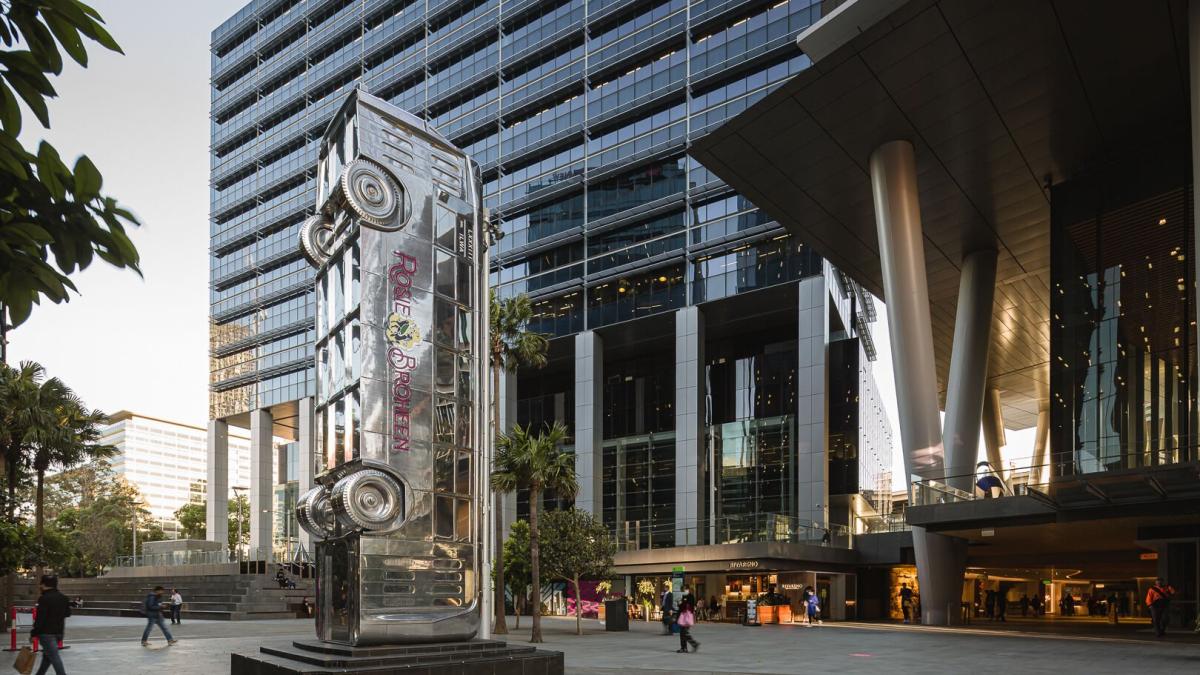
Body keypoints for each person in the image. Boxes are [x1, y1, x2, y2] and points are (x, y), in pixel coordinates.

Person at [30, 574, 70, 675]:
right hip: (59, 633)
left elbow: (40, 619)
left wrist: (33, 633)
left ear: (44, 585)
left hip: (46, 634)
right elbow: (68, 613)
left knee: (54, 657)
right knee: (47, 658)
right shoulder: (64, 598)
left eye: (41, 584)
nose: (40, 586)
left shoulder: (44, 599)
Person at [675, 587, 699, 653]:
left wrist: (681, 603)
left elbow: (688, 606)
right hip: (683, 616)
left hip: (687, 617)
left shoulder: (690, 596)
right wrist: (679, 603)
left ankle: (689, 646)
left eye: (684, 590)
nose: (683, 591)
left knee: (684, 632)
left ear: (688, 590)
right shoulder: (684, 596)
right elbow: (681, 606)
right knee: (683, 632)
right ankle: (686, 647)